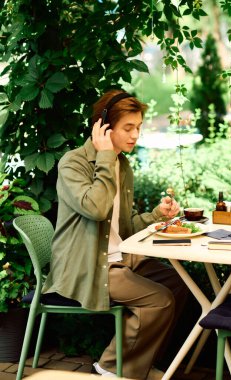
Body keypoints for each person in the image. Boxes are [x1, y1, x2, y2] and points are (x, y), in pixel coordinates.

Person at [42, 89, 188, 380]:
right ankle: (111, 367)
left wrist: (158, 214)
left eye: (139, 127)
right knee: (160, 300)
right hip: (87, 265)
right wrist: (106, 156)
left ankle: (139, 363)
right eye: (128, 128)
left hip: (120, 257)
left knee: (179, 285)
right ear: (104, 128)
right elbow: (96, 208)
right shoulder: (73, 163)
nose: (136, 135)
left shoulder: (121, 165)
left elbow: (124, 227)